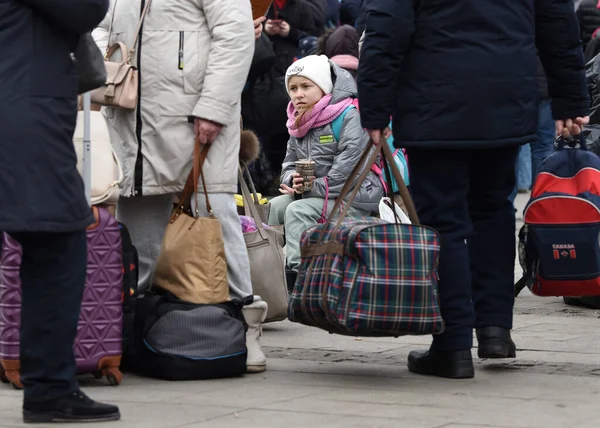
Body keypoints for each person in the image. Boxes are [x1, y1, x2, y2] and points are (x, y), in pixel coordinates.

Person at [358, 0, 589, 379]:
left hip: (434, 102)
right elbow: (558, 25)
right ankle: (496, 328)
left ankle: (452, 345)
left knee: (443, 221)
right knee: (494, 210)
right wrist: (570, 99)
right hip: (504, 95)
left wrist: (375, 108)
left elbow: (386, 28)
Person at [92, 0, 268, 373]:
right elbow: (101, 27)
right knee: (137, 229)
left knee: (215, 222)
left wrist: (215, 106)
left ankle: (244, 324)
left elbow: (235, 36)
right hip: (134, 119)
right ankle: (132, 326)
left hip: (195, 118)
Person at [0, 0, 121, 423]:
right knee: (59, 244)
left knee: (49, 243)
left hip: (22, 103)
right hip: (24, 112)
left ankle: (49, 386)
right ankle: (49, 388)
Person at [268, 55, 384, 287]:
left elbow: (346, 174)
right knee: (274, 207)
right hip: (318, 193)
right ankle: (269, 273)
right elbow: (288, 163)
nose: (298, 93)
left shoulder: (350, 115)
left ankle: (299, 277)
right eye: (292, 88)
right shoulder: (298, 120)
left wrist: (308, 189)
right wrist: (293, 180)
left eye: (306, 86)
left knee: (297, 210)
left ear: (324, 86)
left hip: (355, 198)